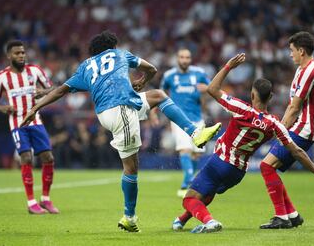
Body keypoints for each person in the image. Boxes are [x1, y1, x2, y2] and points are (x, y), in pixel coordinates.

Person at [20, 31, 221, 232]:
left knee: (158, 96)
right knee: (131, 167)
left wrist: (35, 107)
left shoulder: (85, 67)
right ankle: (129, 217)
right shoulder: (120, 54)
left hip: (115, 109)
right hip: (121, 109)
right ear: (112, 46)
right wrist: (143, 80)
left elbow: (60, 90)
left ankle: (195, 133)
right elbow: (152, 69)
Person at [172, 53, 314, 233]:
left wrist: (228, 66)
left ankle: (209, 221)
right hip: (237, 172)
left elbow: (212, 89)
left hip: (220, 162)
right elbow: (297, 151)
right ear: (270, 97)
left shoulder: (242, 109)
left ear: (253, 94)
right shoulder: (275, 124)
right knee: (207, 193)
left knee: (189, 199)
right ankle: (181, 221)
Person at [259, 31, 314, 229]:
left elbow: (294, 107)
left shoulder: (311, 71)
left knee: (266, 166)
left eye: (292, 51)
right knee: (268, 166)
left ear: (302, 50)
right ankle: (291, 215)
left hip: (304, 129)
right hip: (299, 126)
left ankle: (282, 216)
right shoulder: (303, 68)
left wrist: (278, 128)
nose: (290, 55)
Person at [0, 40, 59, 215]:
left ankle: (46, 199)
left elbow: (52, 88)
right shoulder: (1, 77)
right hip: (17, 124)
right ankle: (31, 202)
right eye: (17, 53)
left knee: (48, 157)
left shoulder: (35, 71)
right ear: (9, 56)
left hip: (35, 120)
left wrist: (43, 92)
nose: (21, 55)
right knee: (26, 158)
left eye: (22, 52)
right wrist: (3, 108)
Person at [161, 48, 210, 197]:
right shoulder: (169, 75)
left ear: (191, 59)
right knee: (185, 149)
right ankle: (188, 184)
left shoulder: (199, 73)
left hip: (197, 118)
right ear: (177, 58)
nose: (184, 60)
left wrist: (206, 88)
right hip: (179, 119)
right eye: (182, 57)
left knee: (196, 154)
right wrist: (156, 112)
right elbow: (161, 93)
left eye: (187, 57)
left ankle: (188, 183)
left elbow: (212, 88)